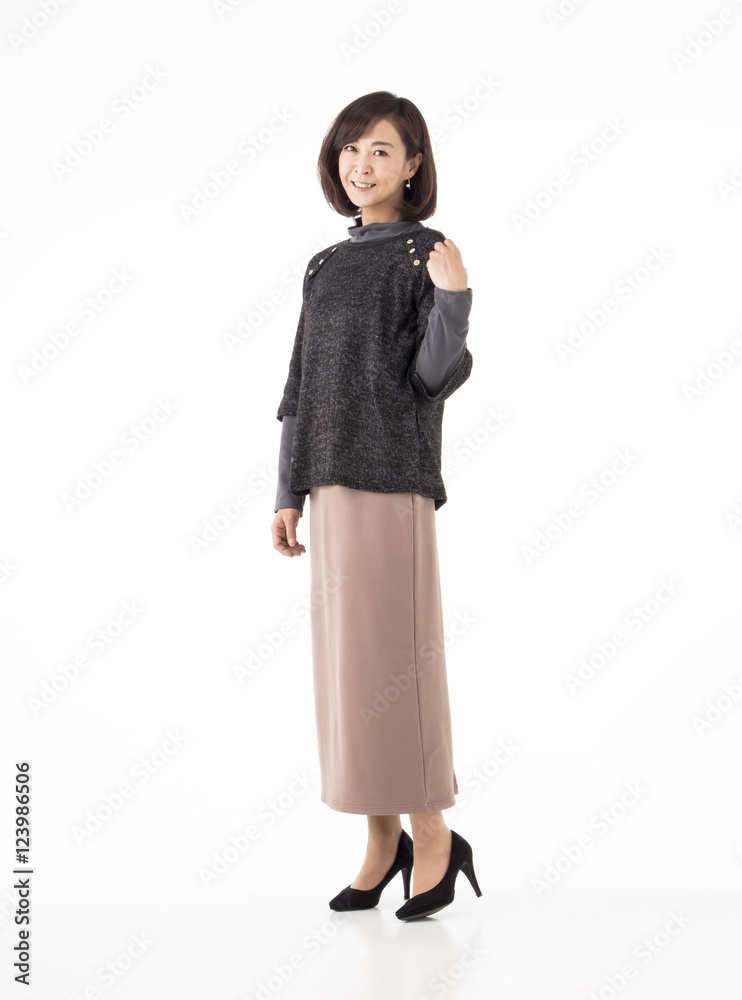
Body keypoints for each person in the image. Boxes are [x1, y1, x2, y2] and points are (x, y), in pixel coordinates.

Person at [270, 91, 482, 920]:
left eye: (381, 151)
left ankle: (433, 833)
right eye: (350, 150)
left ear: (414, 165)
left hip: (393, 481)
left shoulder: (429, 253)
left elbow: (430, 379)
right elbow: (301, 387)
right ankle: (381, 837)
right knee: (351, 672)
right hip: (328, 484)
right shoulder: (324, 264)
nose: (361, 164)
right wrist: (288, 491)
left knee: (397, 664)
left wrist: (455, 301)